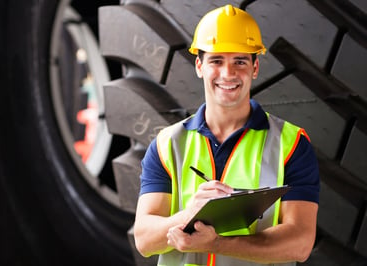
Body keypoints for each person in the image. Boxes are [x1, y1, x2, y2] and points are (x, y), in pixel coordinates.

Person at [134, 4, 319, 266]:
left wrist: (217, 244)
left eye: (240, 61)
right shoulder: (167, 145)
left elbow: (300, 243)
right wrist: (189, 214)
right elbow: (144, 240)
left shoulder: (291, 145)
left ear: (255, 68)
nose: (228, 73)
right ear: (199, 66)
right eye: (216, 61)